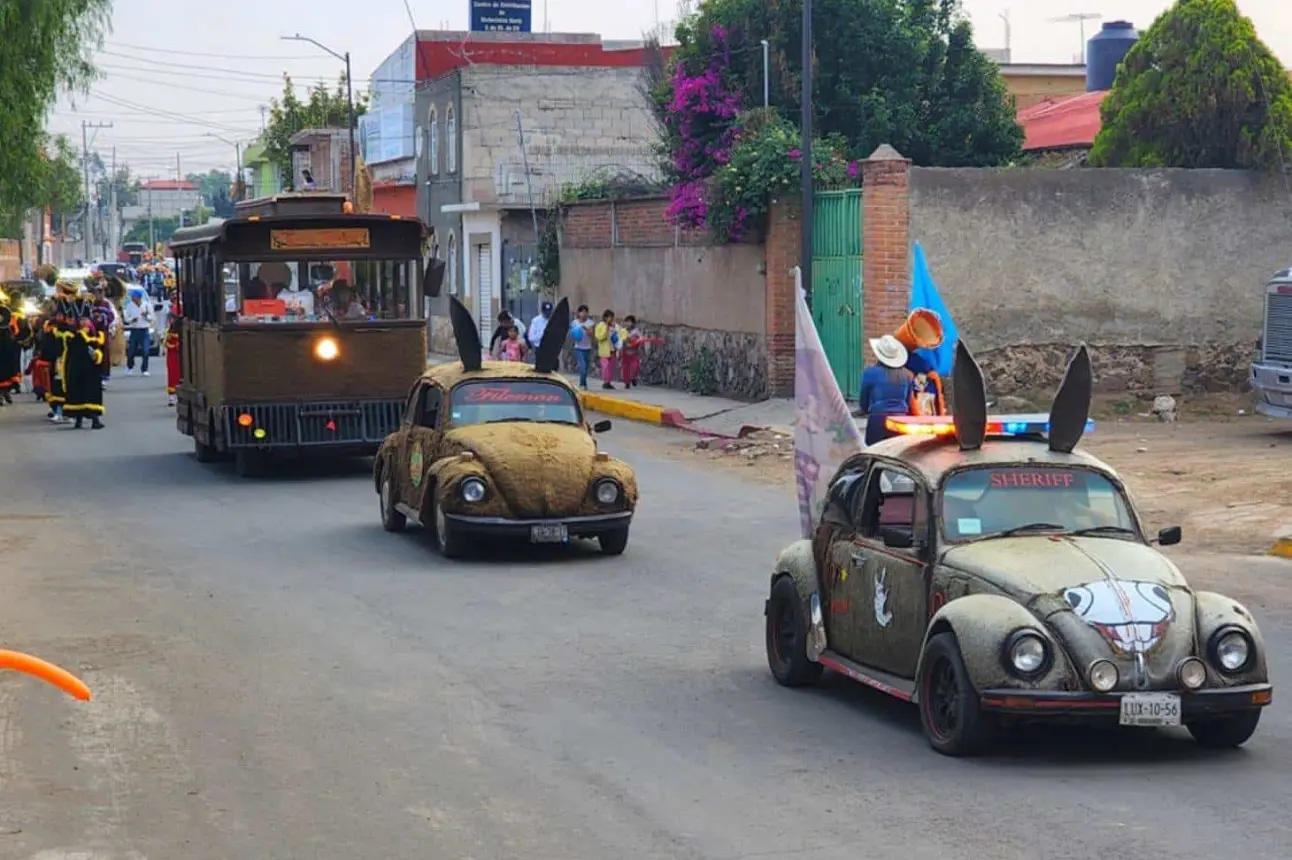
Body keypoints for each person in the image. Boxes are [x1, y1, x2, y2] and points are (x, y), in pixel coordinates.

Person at [858, 335, 915, 446]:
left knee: (875, 453)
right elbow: (908, 401)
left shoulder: (870, 373)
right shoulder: (908, 375)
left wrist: (867, 411)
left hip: (877, 420)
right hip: (900, 420)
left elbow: (863, 402)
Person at [60, 313, 106, 429]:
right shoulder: (73, 335)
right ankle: (78, 420)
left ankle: (95, 420)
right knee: (78, 393)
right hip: (77, 369)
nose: (84, 322)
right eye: (81, 320)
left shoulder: (94, 334)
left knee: (91, 393)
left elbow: (98, 348)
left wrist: (97, 355)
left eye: (86, 319)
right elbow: (73, 347)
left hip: (91, 370)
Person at [122, 288, 154, 375]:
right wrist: (132, 320)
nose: (132, 297)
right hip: (134, 330)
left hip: (144, 330)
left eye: (134, 296)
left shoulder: (147, 305)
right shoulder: (129, 306)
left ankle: (144, 369)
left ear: (138, 297)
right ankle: (130, 367)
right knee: (131, 350)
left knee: (145, 350)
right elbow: (126, 318)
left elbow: (151, 318)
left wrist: (146, 316)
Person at [593, 309, 621, 390]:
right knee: (606, 367)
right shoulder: (601, 325)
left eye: (612, 317)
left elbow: (618, 335)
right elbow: (599, 337)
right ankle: (605, 381)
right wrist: (606, 330)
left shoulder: (614, 326)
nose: (611, 319)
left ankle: (608, 382)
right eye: (609, 317)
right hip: (604, 350)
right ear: (605, 317)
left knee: (611, 367)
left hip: (612, 349)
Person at [570, 304, 595, 389]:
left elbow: (591, 334)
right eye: (582, 312)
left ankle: (584, 383)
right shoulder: (575, 323)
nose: (583, 314)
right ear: (579, 313)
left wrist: (585, 328)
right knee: (583, 366)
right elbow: (572, 334)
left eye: (585, 312)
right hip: (578, 348)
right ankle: (582, 384)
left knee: (586, 367)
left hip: (587, 348)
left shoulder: (590, 323)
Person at [164, 301, 182, 407]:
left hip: (181, 356)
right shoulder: (170, 331)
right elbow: (167, 343)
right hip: (173, 356)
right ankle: (172, 395)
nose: (172, 320)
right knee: (173, 375)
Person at [619, 314, 644, 388]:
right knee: (625, 369)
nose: (628, 323)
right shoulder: (623, 331)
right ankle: (627, 383)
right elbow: (619, 340)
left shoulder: (636, 331)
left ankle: (633, 378)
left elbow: (641, 338)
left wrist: (636, 341)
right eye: (626, 321)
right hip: (625, 353)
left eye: (630, 322)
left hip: (634, 353)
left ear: (633, 323)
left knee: (635, 367)